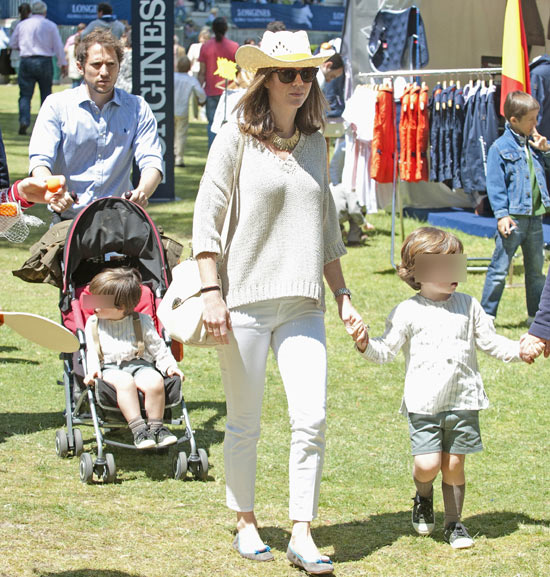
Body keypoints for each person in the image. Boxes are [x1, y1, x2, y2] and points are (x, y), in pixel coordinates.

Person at [192, 30, 367, 574]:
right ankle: (246, 521)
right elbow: (206, 220)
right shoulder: (234, 139)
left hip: (303, 304)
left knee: (311, 417)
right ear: (264, 78)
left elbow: (327, 232)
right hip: (240, 301)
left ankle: (301, 531)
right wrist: (211, 292)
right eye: (287, 73)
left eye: (306, 73)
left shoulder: (318, 143)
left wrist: (343, 297)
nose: (298, 83)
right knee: (245, 422)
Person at [355, 227, 532, 549]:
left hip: (463, 400)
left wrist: (520, 350)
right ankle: (423, 497)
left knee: (453, 465)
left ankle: (454, 523)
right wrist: (366, 344)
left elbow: (491, 343)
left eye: (456, 264)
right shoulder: (407, 311)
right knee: (427, 465)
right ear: (417, 272)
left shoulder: (469, 305)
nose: (454, 274)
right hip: (423, 404)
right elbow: (385, 351)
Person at [28, 28, 163, 221]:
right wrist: (55, 192)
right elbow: (40, 161)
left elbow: (152, 160)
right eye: (96, 64)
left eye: (111, 64)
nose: (104, 72)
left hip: (121, 220)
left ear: (119, 66)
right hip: (68, 220)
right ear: (80, 67)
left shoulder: (137, 107)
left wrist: (142, 192)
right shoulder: (56, 105)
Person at [84, 268, 184, 449]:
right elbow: (91, 351)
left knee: (155, 381)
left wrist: (169, 366)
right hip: (110, 369)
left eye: (100, 301)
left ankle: (156, 428)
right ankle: (138, 430)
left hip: (140, 365)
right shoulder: (93, 323)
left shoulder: (142, 321)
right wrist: (92, 371)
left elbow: (157, 347)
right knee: (124, 382)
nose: (94, 305)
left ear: (120, 307)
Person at [481, 91, 550, 324]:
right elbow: (495, 184)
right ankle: (487, 317)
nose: (535, 123)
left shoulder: (535, 144)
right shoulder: (499, 148)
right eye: (531, 119)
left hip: (535, 220)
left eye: (536, 118)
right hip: (513, 220)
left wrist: (546, 150)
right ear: (514, 120)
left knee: (536, 273)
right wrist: (501, 215)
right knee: (499, 270)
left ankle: (536, 318)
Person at [8, 1, 67, 136]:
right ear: (45, 12)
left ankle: (24, 121)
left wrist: (23, 47)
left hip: (27, 60)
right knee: (46, 95)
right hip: (45, 61)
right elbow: (58, 46)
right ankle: (46, 125)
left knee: (25, 95)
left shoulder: (22, 25)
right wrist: (62, 63)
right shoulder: (50, 25)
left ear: (31, 11)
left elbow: (12, 43)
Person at [198, 17, 238, 148]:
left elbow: (202, 72)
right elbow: (238, 71)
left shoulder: (205, 46)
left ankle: (212, 154)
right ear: (226, 29)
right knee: (230, 126)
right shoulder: (234, 47)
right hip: (230, 91)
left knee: (212, 125)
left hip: (211, 91)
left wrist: (199, 93)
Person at [174, 55, 206, 166]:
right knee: (181, 134)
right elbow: (201, 93)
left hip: (170, 109)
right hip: (182, 110)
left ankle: (171, 155)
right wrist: (201, 101)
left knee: (171, 134)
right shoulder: (191, 79)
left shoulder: (172, 77)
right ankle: (179, 158)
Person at [8, 3, 31, 76]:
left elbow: (12, 40)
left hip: (17, 53)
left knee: (21, 78)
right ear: (30, 11)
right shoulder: (33, 23)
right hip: (30, 54)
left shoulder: (14, 24)